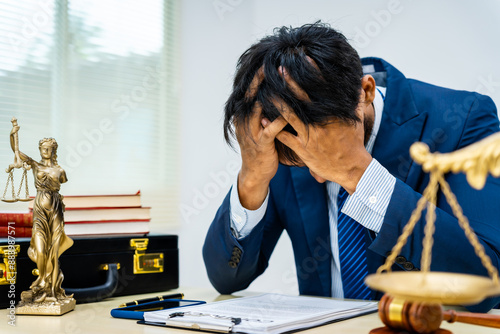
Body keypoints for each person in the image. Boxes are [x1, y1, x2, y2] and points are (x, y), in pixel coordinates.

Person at [202, 22, 500, 312]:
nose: (316, 173)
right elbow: (227, 278)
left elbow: (487, 284)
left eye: (320, 148)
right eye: (299, 160)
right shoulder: (278, 139)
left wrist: (357, 173)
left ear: (365, 92)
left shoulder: (463, 121)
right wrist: (252, 179)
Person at [10, 126, 73, 304]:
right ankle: (42, 281)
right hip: (39, 211)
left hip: (55, 211)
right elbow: (16, 151)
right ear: (40, 150)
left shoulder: (60, 171)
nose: (46, 151)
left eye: (49, 149)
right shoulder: (35, 165)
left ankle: (52, 289)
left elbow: (61, 184)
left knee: (53, 250)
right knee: (39, 247)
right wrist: (13, 133)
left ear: (54, 151)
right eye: (43, 149)